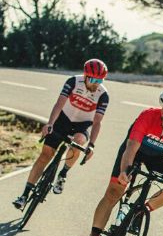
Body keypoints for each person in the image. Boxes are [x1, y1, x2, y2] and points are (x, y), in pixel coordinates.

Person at [83, 87, 163, 236]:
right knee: (113, 193)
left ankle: (141, 212)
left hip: (156, 157)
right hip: (134, 152)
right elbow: (131, 147)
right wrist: (125, 170)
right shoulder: (147, 117)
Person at [13, 59, 110, 209]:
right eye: (92, 79)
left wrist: (92, 145)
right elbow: (59, 104)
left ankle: (63, 174)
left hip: (82, 124)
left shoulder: (103, 95)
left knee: (78, 142)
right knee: (45, 155)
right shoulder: (73, 81)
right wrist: (50, 124)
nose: (96, 83)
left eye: (100, 80)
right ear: (85, 76)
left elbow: (97, 122)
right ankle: (24, 195)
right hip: (63, 119)